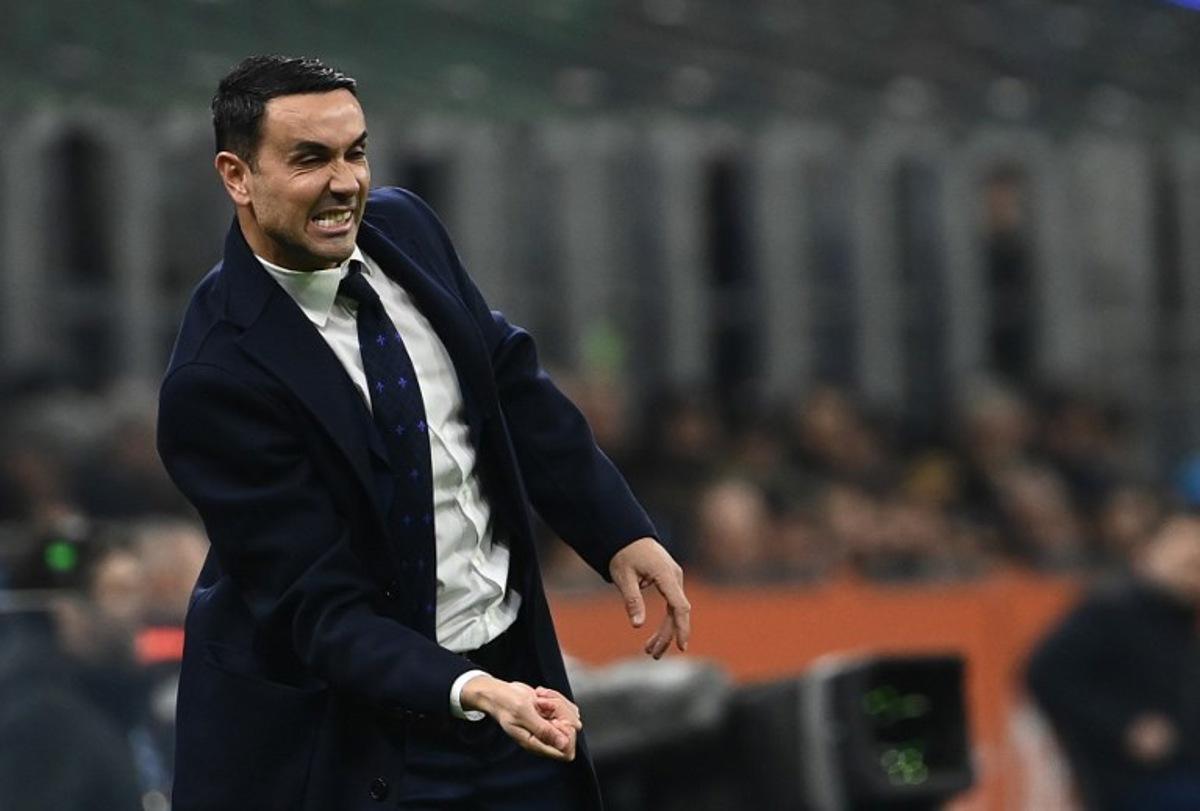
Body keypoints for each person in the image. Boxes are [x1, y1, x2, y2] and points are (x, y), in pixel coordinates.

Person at [156, 55, 690, 811]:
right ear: (237, 176)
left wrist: (617, 529)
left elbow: (508, 380)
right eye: (310, 159)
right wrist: (471, 688)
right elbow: (319, 609)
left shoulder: (404, 227)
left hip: (514, 695)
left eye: (356, 153)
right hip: (353, 739)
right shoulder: (215, 379)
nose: (345, 183)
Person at [1026, 509, 1200, 810]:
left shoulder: (1179, 617)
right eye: (1185, 553)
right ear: (1148, 550)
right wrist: (1123, 725)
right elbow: (1044, 673)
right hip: (1134, 779)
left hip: (1182, 765)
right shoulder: (1110, 610)